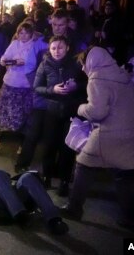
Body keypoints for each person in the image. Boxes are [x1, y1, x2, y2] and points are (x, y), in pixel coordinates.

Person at [62, 47, 134, 233]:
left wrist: (80, 108)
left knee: (84, 165)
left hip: (111, 134)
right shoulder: (120, 74)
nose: (83, 69)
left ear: (91, 62)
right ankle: (132, 219)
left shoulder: (97, 79)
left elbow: (97, 112)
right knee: (125, 175)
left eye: (83, 64)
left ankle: (74, 209)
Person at [16, 36, 85, 195]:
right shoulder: (45, 63)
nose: (56, 51)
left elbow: (87, 84)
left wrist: (76, 86)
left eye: (60, 48)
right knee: (49, 145)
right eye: (53, 48)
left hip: (71, 111)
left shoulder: (76, 63)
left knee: (67, 147)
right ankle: (46, 176)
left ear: (67, 48)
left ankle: (64, 181)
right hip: (51, 110)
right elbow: (37, 87)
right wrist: (52, 90)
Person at [0, 22, 38, 152]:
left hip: (24, 86)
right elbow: (4, 57)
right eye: (21, 32)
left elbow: (33, 65)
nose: (23, 35)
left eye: (26, 32)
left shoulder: (34, 45)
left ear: (31, 33)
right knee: (1, 113)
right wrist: (4, 61)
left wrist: (22, 64)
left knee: (23, 115)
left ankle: (22, 144)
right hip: (9, 83)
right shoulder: (14, 43)